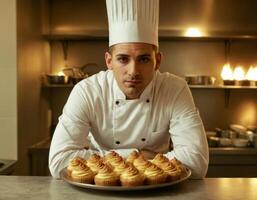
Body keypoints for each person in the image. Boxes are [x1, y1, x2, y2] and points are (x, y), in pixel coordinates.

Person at [49, 0, 209, 179]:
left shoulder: (174, 89)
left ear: (158, 60)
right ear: (109, 61)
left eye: (143, 59)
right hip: (97, 191)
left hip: (158, 191)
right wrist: (140, 157)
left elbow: (197, 162)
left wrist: (104, 162)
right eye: (123, 59)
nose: (133, 71)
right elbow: (58, 162)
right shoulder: (87, 91)